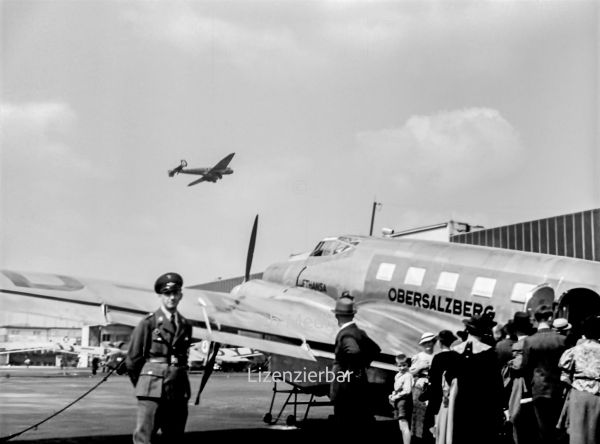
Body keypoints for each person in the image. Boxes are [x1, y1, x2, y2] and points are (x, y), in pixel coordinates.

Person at [124, 272, 193, 444]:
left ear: (181, 296)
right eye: (167, 294)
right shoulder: (149, 322)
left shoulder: (186, 325)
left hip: (177, 387)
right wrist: (143, 382)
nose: (172, 298)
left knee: (175, 435)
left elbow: (183, 358)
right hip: (152, 387)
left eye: (175, 293)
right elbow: (133, 359)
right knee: (144, 436)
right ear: (160, 296)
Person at [330, 292, 381, 433]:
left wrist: (350, 371)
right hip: (359, 387)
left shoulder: (345, 334)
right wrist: (362, 366)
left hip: (345, 390)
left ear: (337, 316)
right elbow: (375, 349)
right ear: (352, 315)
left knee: (345, 425)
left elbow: (354, 351)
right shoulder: (359, 332)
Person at [452, 314, 504, 444]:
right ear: (485, 332)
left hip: (459, 404)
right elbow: (496, 386)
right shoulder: (490, 353)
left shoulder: (455, 352)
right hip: (483, 407)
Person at [522, 304, 567, 444]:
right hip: (558, 388)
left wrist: (530, 388)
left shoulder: (529, 341)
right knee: (557, 428)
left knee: (542, 428)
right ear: (549, 318)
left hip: (539, 388)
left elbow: (526, 368)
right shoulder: (562, 340)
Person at [558, 315, 600, 444]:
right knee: (595, 433)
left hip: (578, 394)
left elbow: (564, 377)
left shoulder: (575, 351)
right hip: (598, 393)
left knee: (577, 434)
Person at [425, 330, 460, 443]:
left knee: (437, 432)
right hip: (453, 398)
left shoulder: (437, 358)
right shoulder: (458, 357)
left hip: (439, 400)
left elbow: (434, 382)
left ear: (440, 343)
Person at [410, 331, 437, 443]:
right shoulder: (418, 357)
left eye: (429, 342)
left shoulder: (436, 356)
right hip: (420, 387)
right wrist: (421, 367)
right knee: (417, 415)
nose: (427, 344)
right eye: (425, 342)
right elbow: (411, 373)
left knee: (430, 416)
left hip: (432, 387)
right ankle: (416, 439)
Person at [389, 353, 414, 444]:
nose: (402, 368)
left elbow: (407, 390)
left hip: (404, 401)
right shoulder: (398, 375)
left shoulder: (408, 375)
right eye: (400, 366)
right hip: (399, 401)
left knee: (404, 426)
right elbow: (397, 389)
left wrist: (395, 396)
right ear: (396, 365)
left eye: (404, 365)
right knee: (401, 426)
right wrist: (392, 395)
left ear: (408, 364)